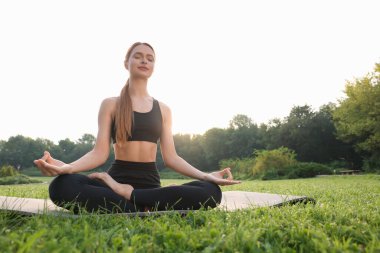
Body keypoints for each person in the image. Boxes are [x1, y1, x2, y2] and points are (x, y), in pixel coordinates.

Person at [34, 42, 240, 214]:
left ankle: (132, 199)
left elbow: (172, 158)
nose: (144, 61)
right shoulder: (111, 104)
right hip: (115, 183)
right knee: (62, 185)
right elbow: (99, 153)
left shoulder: (164, 109)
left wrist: (206, 175)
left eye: (150, 58)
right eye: (138, 56)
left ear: (154, 66)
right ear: (126, 62)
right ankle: (142, 206)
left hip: (148, 185)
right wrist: (67, 168)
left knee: (211, 191)